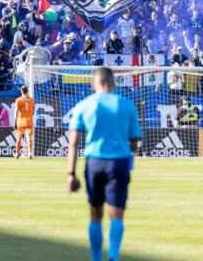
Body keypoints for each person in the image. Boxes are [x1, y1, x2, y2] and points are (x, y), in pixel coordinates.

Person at [67, 67, 142, 261]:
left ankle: (96, 258)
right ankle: (114, 256)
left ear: (94, 84)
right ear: (113, 83)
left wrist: (71, 174)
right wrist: (130, 151)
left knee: (95, 213)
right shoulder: (126, 105)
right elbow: (134, 141)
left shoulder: (84, 105)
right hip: (119, 162)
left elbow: (73, 143)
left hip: (95, 162)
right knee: (116, 213)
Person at [13, 85, 35, 159]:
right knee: (29, 137)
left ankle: (17, 153)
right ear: (27, 91)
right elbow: (33, 111)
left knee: (19, 137)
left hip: (21, 120)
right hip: (29, 120)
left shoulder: (18, 100)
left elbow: (16, 111)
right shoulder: (31, 100)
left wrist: (14, 122)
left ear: (21, 91)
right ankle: (30, 153)